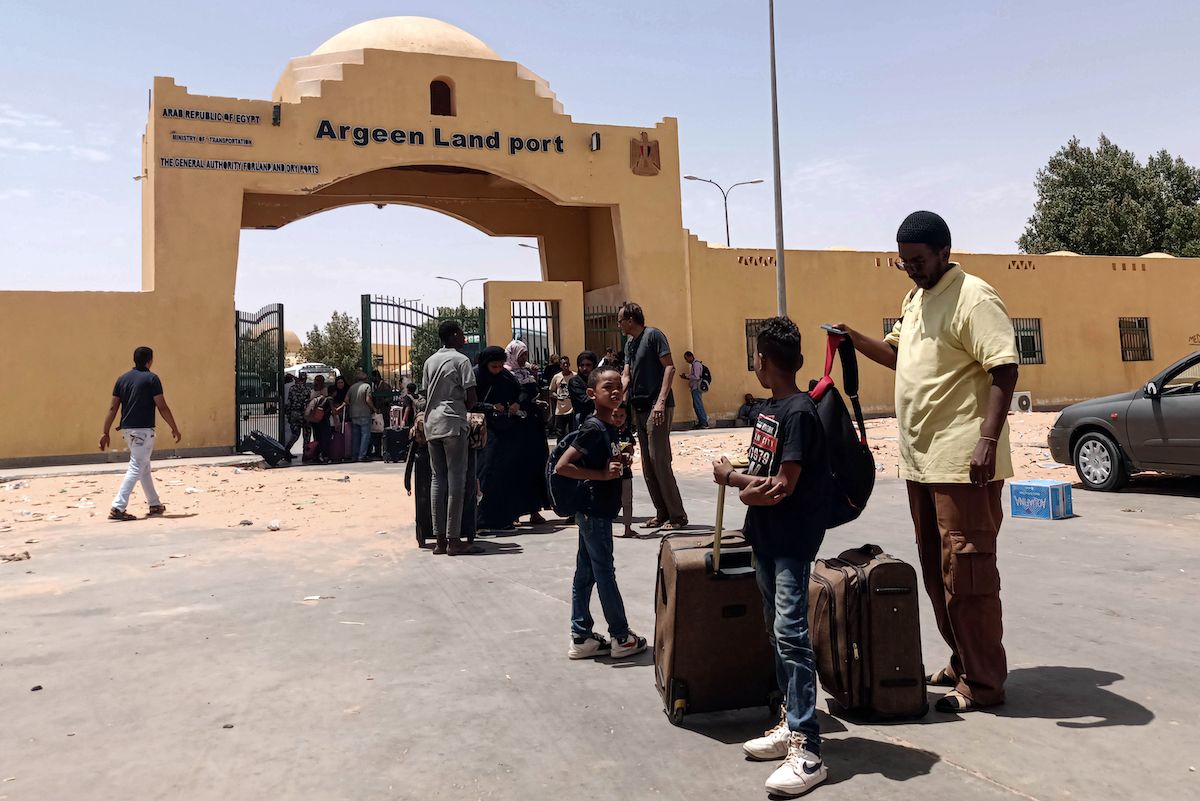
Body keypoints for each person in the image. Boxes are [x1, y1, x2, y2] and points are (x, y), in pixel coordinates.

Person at [830, 210, 1018, 714]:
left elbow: (1004, 369)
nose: (910, 269)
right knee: (938, 574)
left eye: (917, 260)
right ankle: (962, 661)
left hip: (963, 463)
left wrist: (987, 439)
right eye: (903, 262)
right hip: (921, 461)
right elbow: (897, 355)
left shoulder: (974, 297)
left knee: (969, 576)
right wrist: (853, 339)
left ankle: (984, 683)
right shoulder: (915, 299)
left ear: (944, 252)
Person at [711, 317, 830, 797]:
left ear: (760, 360)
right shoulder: (771, 410)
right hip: (765, 536)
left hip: (791, 541)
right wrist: (743, 478)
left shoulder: (799, 412)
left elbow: (783, 485)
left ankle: (808, 749)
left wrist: (730, 479)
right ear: (796, 360)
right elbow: (767, 470)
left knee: (792, 635)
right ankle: (788, 720)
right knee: (777, 632)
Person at [556, 365, 648, 660]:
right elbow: (563, 466)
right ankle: (621, 636)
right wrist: (602, 475)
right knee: (605, 574)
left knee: (585, 575)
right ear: (592, 394)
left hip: (596, 512)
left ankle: (581, 636)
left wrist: (618, 462)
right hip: (594, 512)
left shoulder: (609, 426)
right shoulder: (594, 427)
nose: (615, 391)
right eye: (607, 387)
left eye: (618, 386)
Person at [618, 302, 687, 530]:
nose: (619, 325)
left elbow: (669, 368)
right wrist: (617, 399)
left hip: (657, 407)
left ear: (630, 320)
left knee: (659, 460)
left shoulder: (654, 336)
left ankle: (677, 516)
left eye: (620, 321)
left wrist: (661, 402)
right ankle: (662, 513)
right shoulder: (629, 344)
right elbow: (626, 376)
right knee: (647, 465)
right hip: (638, 407)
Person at [422, 320, 484, 555]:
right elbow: (472, 397)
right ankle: (454, 540)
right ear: (455, 335)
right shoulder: (461, 360)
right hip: (453, 424)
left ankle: (439, 541)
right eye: (461, 334)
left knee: (437, 480)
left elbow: (426, 392)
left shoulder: (430, 361)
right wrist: (461, 410)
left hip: (431, 423)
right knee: (456, 480)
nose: (464, 338)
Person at [99, 346, 182, 521]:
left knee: (143, 466)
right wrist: (174, 427)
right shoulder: (152, 378)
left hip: (127, 430)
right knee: (137, 465)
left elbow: (113, 407)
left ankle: (154, 503)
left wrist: (105, 432)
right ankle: (118, 507)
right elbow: (162, 406)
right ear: (150, 361)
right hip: (143, 430)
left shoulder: (122, 379)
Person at [504, 340, 549, 525]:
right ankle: (514, 513)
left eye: (525, 354)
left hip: (532, 425)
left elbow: (531, 394)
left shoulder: (527, 372)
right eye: (521, 355)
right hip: (516, 426)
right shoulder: (507, 373)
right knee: (517, 467)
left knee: (534, 466)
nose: (524, 358)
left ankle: (534, 510)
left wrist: (536, 401)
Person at [612, 403, 636, 538]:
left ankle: (628, 528)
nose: (618, 419)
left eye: (621, 416)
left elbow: (631, 450)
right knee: (610, 501)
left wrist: (628, 454)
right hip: (610, 474)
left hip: (625, 473)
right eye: (615, 415)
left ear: (626, 416)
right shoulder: (606, 431)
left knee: (627, 501)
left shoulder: (627, 432)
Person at [346, 371, 376, 462]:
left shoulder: (352, 387)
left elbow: (346, 400)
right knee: (365, 435)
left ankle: (354, 455)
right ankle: (362, 455)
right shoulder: (367, 386)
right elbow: (368, 399)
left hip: (353, 413)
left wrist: (353, 405)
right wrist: (373, 408)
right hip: (364, 413)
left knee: (356, 435)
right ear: (366, 379)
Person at [305, 375, 333, 463]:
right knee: (325, 436)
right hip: (322, 416)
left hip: (314, 417)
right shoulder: (325, 390)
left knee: (317, 436)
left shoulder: (312, 391)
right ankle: (324, 454)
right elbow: (327, 402)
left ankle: (315, 455)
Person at [284, 371, 312, 455]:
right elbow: (308, 403)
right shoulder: (307, 389)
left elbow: (289, 402)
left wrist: (289, 415)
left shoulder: (292, 388)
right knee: (306, 434)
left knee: (295, 434)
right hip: (304, 414)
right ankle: (305, 453)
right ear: (305, 379)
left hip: (294, 414)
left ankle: (287, 450)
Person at [368, 370, 394, 460]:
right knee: (376, 433)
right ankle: (377, 451)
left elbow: (390, 397)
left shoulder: (385, 385)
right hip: (377, 414)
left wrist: (382, 401)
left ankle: (386, 451)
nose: (372, 379)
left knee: (385, 433)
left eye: (373, 377)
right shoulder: (373, 386)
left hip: (384, 412)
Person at [549, 355, 575, 441]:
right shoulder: (556, 377)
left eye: (567, 363)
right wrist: (557, 396)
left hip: (572, 409)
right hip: (560, 410)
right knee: (560, 434)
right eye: (564, 364)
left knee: (573, 433)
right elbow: (551, 391)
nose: (566, 365)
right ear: (560, 365)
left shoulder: (575, 376)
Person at [568, 350, 597, 427]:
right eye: (582, 365)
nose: (584, 368)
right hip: (583, 419)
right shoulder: (575, 382)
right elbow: (583, 401)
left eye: (588, 365)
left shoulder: (598, 380)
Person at [683, 351, 709, 429]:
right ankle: (701, 422)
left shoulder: (696, 364)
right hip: (694, 387)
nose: (686, 361)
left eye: (686, 358)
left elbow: (696, 377)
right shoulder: (694, 364)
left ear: (690, 356)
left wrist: (687, 376)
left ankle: (704, 423)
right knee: (696, 405)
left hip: (697, 387)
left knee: (698, 405)